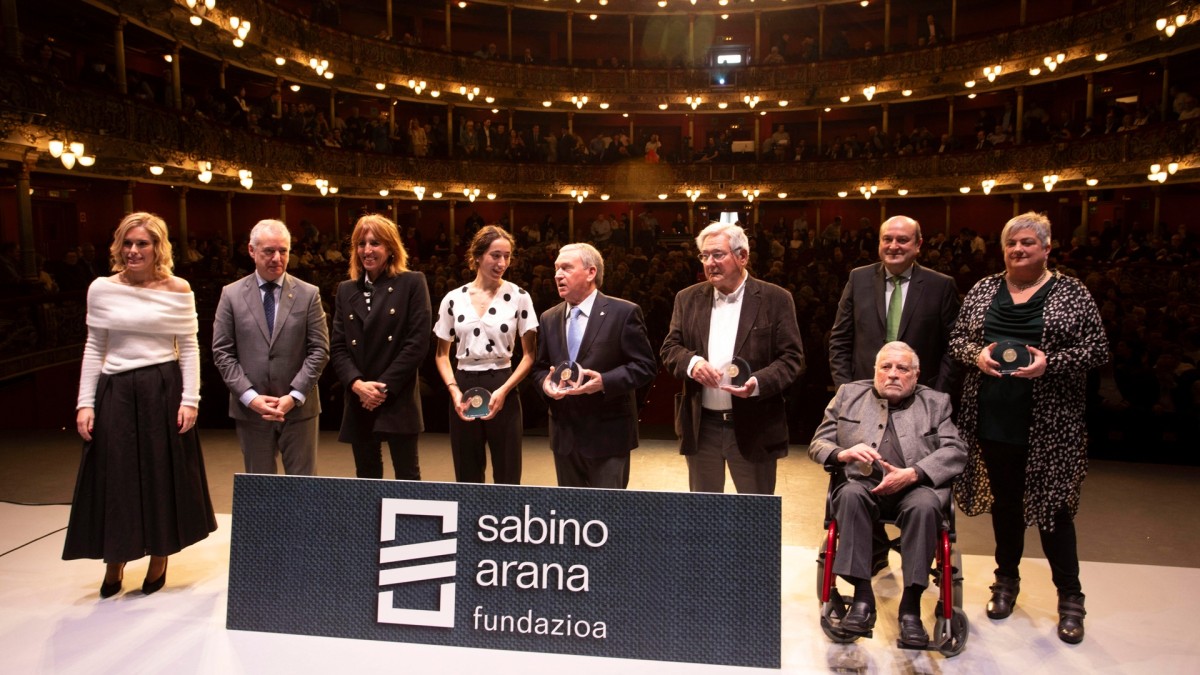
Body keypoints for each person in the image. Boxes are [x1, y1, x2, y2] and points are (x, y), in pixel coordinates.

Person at [949, 211, 1109, 644]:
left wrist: (1049, 364)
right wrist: (976, 355)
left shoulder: (1071, 291)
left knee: (1055, 511)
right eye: (1011, 244)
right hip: (992, 419)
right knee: (1006, 507)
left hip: (1051, 424)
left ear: (1046, 248)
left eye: (1027, 243)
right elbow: (958, 339)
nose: (1018, 250)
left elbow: (1098, 348)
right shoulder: (985, 288)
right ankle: (1006, 583)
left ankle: (1070, 600)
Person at [63, 212, 216, 597]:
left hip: (162, 388)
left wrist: (190, 399)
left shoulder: (178, 289)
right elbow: (94, 346)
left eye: (142, 244)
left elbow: (189, 348)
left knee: (161, 476)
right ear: (119, 246)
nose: (133, 251)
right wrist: (85, 403)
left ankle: (160, 556)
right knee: (118, 479)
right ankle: (115, 560)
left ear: (157, 248)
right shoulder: (100, 288)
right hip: (115, 389)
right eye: (128, 243)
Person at [808, 342, 967, 648]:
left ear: (916, 375)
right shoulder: (849, 395)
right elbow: (819, 444)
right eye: (886, 367)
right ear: (876, 371)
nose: (893, 374)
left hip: (915, 487)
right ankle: (863, 598)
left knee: (924, 506)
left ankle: (910, 608)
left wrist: (915, 473)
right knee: (850, 495)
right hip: (863, 485)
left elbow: (956, 450)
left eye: (902, 368)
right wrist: (842, 453)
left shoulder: (936, 402)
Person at [660, 222, 806, 494]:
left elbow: (791, 359)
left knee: (755, 517)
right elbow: (670, 348)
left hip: (754, 424)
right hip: (702, 426)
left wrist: (757, 383)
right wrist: (693, 363)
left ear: (742, 256)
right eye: (705, 256)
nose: (710, 263)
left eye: (718, 254)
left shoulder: (776, 299)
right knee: (704, 515)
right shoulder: (687, 298)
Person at [531, 243, 657, 489]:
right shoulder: (548, 317)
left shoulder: (624, 312)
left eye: (566, 268)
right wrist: (545, 384)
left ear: (591, 272)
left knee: (607, 517)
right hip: (564, 435)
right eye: (556, 269)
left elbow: (645, 366)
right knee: (570, 518)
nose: (557, 275)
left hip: (608, 435)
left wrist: (604, 382)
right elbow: (539, 368)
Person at [212, 219, 329, 476]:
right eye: (269, 251)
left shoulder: (309, 294)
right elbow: (222, 352)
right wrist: (250, 397)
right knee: (260, 490)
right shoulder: (230, 295)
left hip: (299, 409)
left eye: (283, 251)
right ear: (252, 251)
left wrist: (294, 395)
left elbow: (319, 349)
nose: (277, 258)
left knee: (303, 489)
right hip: (252, 411)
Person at [433, 226, 538, 484]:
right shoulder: (452, 299)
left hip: (504, 382)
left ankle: (506, 523)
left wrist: (503, 390)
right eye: (495, 255)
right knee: (467, 471)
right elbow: (441, 355)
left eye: (507, 256)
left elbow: (529, 356)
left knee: (508, 471)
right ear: (478, 256)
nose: (502, 263)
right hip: (463, 385)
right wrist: (455, 391)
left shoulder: (520, 297)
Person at [330, 214, 432, 480]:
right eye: (361, 244)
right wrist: (357, 385)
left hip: (396, 395)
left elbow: (417, 344)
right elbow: (338, 347)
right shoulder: (345, 290)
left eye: (375, 243)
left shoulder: (412, 283)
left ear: (390, 247)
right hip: (359, 397)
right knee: (366, 475)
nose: (367, 250)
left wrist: (382, 387)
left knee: (407, 476)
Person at [830, 216, 960, 392]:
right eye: (887, 239)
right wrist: (846, 389)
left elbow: (953, 347)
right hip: (864, 392)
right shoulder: (858, 279)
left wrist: (938, 394)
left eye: (902, 240)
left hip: (922, 394)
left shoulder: (940, 285)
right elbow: (840, 340)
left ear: (918, 244)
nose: (893, 246)